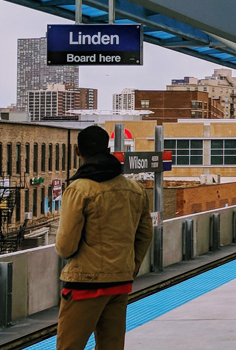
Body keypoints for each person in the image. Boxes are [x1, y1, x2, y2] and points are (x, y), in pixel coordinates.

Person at [56, 126, 154, 350]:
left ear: (77, 150)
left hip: (84, 284)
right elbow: (145, 235)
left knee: (69, 346)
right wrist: (130, 266)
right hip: (120, 282)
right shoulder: (134, 189)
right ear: (108, 149)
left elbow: (65, 246)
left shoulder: (79, 189)